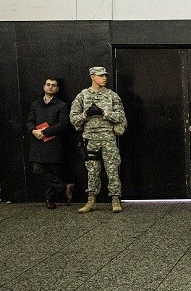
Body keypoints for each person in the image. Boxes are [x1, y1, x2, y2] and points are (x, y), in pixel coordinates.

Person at [70, 67, 127, 213]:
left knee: (112, 168)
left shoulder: (112, 96)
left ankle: (115, 199)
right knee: (92, 170)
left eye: (105, 75)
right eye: (100, 75)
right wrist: (85, 114)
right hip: (90, 138)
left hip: (108, 137)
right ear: (92, 77)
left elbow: (120, 116)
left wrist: (104, 113)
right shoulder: (82, 96)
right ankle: (91, 200)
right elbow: (73, 118)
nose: (104, 78)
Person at [26, 77, 74, 209]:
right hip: (38, 141)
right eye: (48, 85)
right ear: (44, 87)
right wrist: (33, 130)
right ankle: (65, 186)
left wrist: (46, 132)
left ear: (57, 89)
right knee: (38, 169)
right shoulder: (35, 104)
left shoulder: (62, 105)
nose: (50, 87)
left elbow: (64, 124)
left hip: (53, 142)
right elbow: (30, 120)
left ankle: (49, 200)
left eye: (53, 85)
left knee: (53, 171)